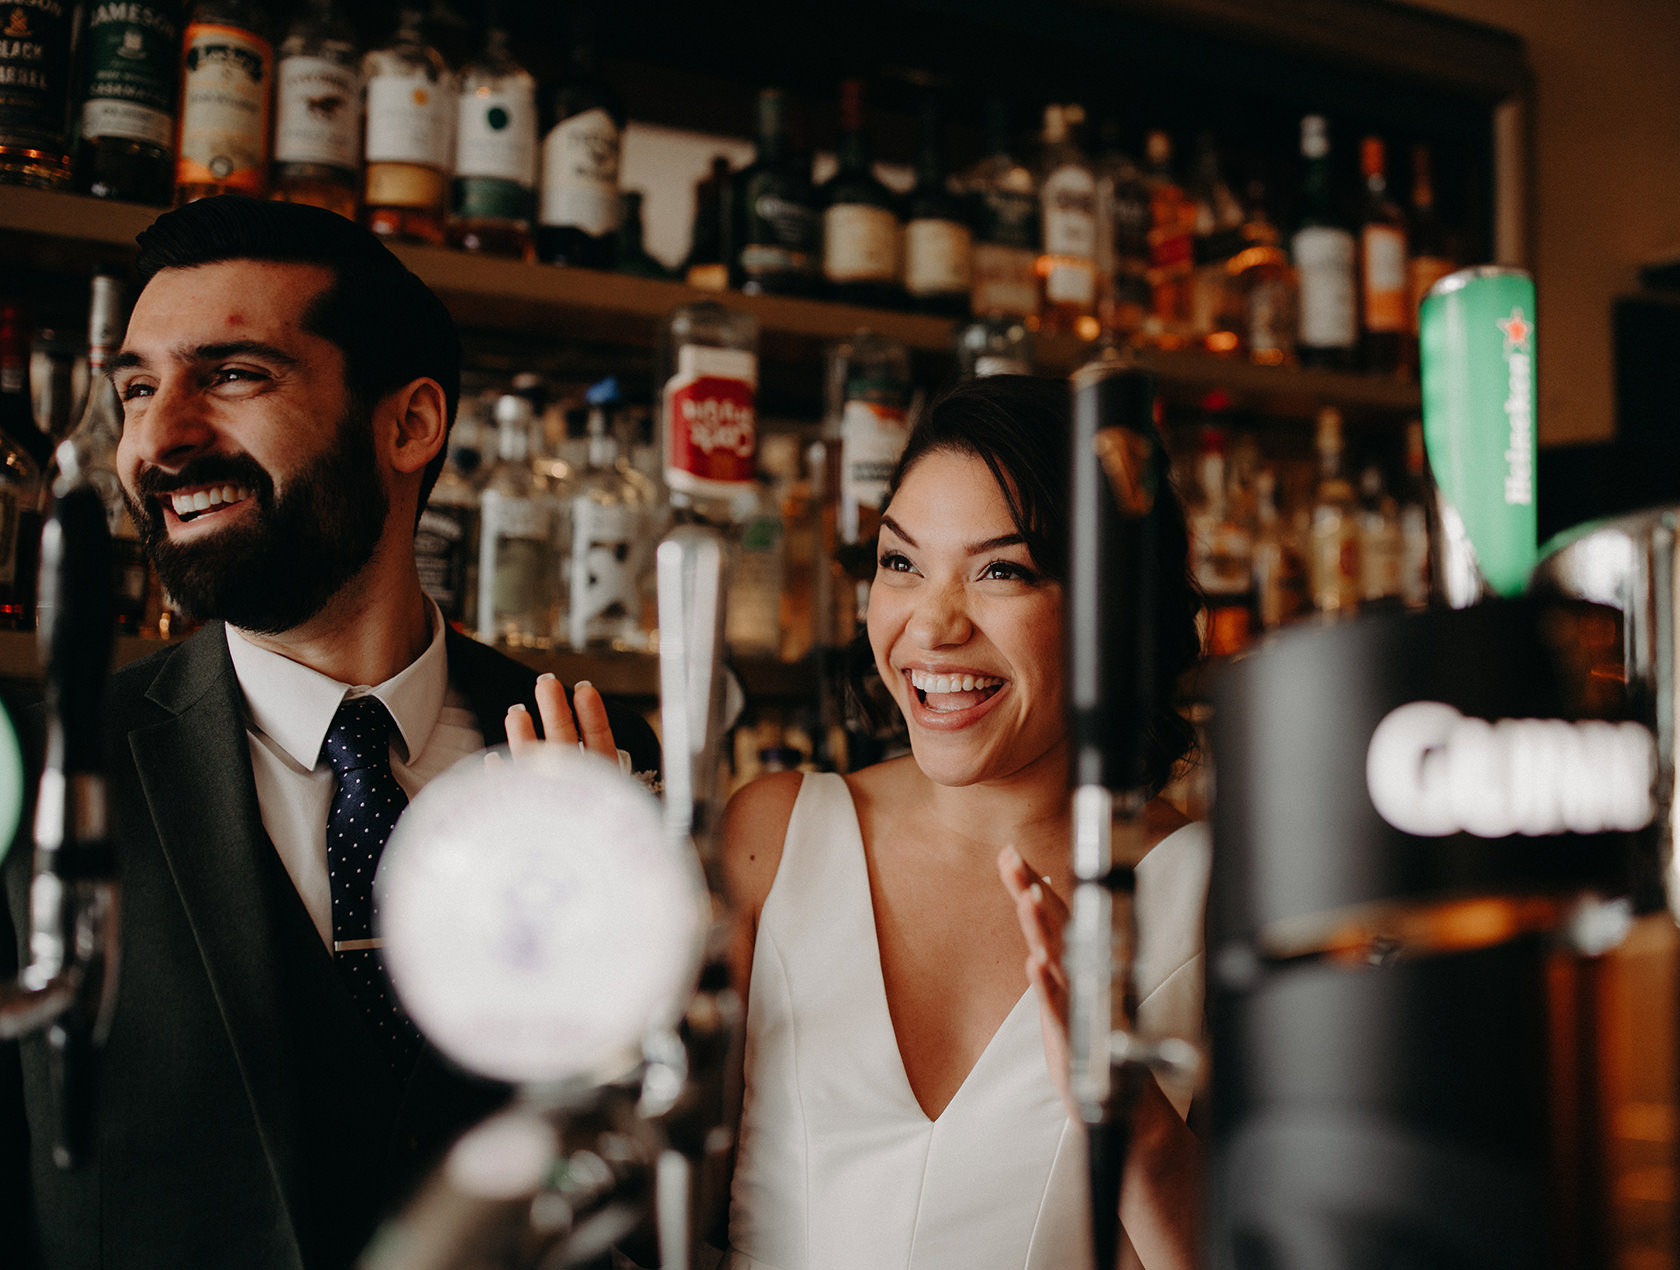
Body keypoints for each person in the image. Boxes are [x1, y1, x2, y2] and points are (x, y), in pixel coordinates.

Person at [0, 195, 656, 1270]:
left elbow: (643, 1167)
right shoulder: (34, 775)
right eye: (135, 389)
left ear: (408, 425)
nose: (158, 439)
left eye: (233, 375)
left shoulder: (594, 757)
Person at [719, 375, 1208, 1270]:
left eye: (1001, 571)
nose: (931, 625)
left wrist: (1135, 1129)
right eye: (900, 562)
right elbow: (645, 1210)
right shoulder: (773, 839)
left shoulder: (1212, 897)